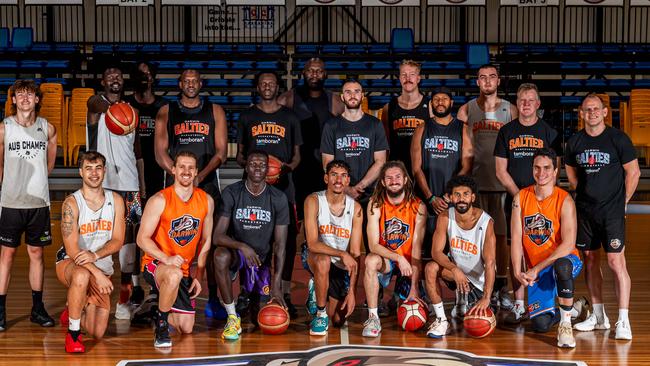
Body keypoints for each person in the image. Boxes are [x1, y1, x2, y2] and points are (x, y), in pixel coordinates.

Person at [154, 68, 227, 318]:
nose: (191, 84)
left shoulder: (215, 111)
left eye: (195, 80)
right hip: (176, 185)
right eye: (187, 80)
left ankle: (214, 297)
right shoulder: (166, 111)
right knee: (170, 239)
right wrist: (178, 174)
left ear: (201, 83)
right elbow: (159, 152)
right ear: (179, 83)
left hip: (205, 184)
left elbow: (221, 152)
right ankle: (165, 294)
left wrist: (199, 176)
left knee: (210, 243)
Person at [566, 94, 640, 340]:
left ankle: (623, 320)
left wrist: (623, 203)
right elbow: (572, 174)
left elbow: (634, 172)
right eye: (588, 109)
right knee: (589, 261)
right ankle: (599, 317)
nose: (593, 113)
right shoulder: (575, 141)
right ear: (581, 113)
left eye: (596, 109)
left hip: (612, 213)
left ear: (605, 112)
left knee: (616, 263)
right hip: (586, 212)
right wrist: (585, 195)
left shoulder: (618, 138)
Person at [494, 82, 562, 323]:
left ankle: (548, 297)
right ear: (517, 104)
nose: (526, 104)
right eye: (522, 100)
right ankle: (520, 302)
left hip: (544, 202)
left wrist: (539, 195)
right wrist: (519, 196)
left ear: (538, 104)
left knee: (544, 245)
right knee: (517, 249)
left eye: (530, 100)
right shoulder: (506, 131)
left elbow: (555, 168)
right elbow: (500, 170)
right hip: (516, 200)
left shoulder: (548, 132)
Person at [237, 71, 302, 317]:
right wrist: (256, 170)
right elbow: (239, 155)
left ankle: (283, 293)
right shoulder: (247, 116)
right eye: (263, 83)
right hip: (253, 189)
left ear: (278, 87)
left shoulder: (290, 117)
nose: (267, 87)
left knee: (284, 242)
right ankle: (250, 292)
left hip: (284, 188)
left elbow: (297, 157)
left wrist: (281, 170)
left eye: (271, 83)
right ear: (257, 86)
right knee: (252, 238)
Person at [136, 151, 214, 348]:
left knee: (186, 327)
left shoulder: (206, 201)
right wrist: (166, 258)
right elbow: (141, 239)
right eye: (181, 167)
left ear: (196, 171)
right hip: (156, 264)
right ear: (173, 170)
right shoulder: (159, 200)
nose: (186, 171)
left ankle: (157, 306)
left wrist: (199, 275)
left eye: (190, 168)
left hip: (183, 269)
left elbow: (206, 240)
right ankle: (161, 326)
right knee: (173, 274)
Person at [87, 65, 145, 320]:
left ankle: (126, 295)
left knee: (130, 238)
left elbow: (139, 154)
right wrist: (114, 109)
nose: (115, 78)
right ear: (102, 81)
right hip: (105, 184)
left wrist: (142, 186)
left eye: (119, 76)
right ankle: (90, 294)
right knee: (102, 238)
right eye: (109, 75)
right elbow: (96, 104)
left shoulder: (133, 112)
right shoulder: (95, 106)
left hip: (130, 184)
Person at [457, 64, 518, 309]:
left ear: (499, 81)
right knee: (474, 238)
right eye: (483, 77)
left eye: (492, 77)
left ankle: (501, 286)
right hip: (475, 185)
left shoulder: (510, 109)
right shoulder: (466, 110)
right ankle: (476, 285)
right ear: (478, 82)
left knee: (501, 238)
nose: (487, 81)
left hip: (501, 184)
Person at [213, 150, 289, 341]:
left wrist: (277, 285)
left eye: (262, 165)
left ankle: (248, 295)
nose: (257, 168)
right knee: (220, 255)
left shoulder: (278, 198)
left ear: (268, 169)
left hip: (260, 259)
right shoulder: (232, 192)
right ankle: (231, 317)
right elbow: (217, 236)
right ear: (246, 167)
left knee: (258, 318)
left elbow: (280, 246)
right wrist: (242, 247)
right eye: (253, 164)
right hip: (237, 255)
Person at [0, 79, 57, 331]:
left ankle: (37, 308)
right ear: (13, 100)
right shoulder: (4, 128)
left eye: (29, 94)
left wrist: (45, 173)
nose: (24, 98)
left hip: (38, 202)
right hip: (11, 202)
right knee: (7, 255)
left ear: (36, 99)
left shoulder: (47, 128)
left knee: (36, 254)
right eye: (19, 94)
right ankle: (0, 311)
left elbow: (51, 152)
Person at [511, 148, 581, 348]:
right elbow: (516, 239)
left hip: (566, 261)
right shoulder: (520, 198)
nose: (541, 173)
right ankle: (574, 308)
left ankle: (566, 325)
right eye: (537, 168)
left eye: (546, 168)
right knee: (540, 325)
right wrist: (517, 271)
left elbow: (568, 244)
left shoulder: (565, 200)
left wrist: (536, 269)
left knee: (562, 266)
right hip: (537, 270)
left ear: (555, 170)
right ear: (532, 169)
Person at [56, 151, 125, 352]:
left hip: (100, 265)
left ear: (104, 171)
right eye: (88, 169)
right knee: (82, 274)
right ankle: (73, 334)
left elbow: (118, 240)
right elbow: (72, 249)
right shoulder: (72, 203)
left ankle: (72, 308)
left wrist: (95, 257)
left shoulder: (116, 201)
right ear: (80, 172)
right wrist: (96, 273)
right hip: (71, 263)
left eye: (98, 168)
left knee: (97, 332)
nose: (94, 174)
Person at [424, 175, 496, 338]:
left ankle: (476, 299)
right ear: (450, 197)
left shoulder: (486, 222)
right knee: (430, 268)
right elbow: (436, 252)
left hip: (478, 282)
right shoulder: (444, 217)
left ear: (473, 197)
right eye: (457, 194)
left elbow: (490, 263)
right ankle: (442, 320)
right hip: (455, 274)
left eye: (465, 194)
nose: (461, 198)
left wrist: (486, 297)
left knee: (476, 324)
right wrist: (455, 269)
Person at [362, 161, 426, 337]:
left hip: (408, 262)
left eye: (398, 177)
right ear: (383, 182)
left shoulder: (418, 207)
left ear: (405, 179)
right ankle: (373, 317)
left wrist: (414, 286)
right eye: (389, 178)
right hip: (389, 260)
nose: (393, 181)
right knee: (370, 260)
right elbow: (373, 245)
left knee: (410, 319)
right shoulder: (375, 204)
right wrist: (398, 258)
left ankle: (398, 297)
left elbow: (416, 248)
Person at [124, 61, 167, 310]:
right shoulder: (127, 105)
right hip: (132, 177)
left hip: (158, 176)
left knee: (155, 234)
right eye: (141, 74)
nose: (146, 77)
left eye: (149, 73)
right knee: (133, 231)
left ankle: (153, 284)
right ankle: (135, 285)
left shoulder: (163, 106)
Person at [278, 57, 344, 220]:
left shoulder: (333, 100)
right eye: (310, 70)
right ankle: (300, 244)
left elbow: (348, 129)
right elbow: (272, 117)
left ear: (325, 74)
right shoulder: (290, 97)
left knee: (324, 210)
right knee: (299, 211)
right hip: (298, 163)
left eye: (319, 70)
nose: (314, 74)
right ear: (303, 73)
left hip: (324, 163)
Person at [302, 160, 363, 335]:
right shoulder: (313, 200)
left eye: (343, 176)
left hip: (340, 264)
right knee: (323, 260)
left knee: (337, 320)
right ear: (326, 178)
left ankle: (318, 291)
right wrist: (341, 253)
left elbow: (356, 255)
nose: (338, 180)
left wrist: (352, 291)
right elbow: (313, 243)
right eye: (334, 175)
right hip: (316, 257)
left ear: (348, 181)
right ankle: (320, 314)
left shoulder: (356, 208)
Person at [411, 87, 473, 257]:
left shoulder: (463, 129)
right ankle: (421, 284)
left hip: (452, 200)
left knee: (453, 252)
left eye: (444, 99)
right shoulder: (421, 129)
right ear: (431, 103)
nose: (440, 102)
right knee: (422, 250)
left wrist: (447, 196)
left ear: (451, 103)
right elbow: (416, 168)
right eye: (436, 99)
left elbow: (467, 167)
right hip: (426, 199)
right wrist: (431, 197)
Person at [381, 60, 430, 175]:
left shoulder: (430, 106)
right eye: (404, 75)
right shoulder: (388, 108)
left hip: (422, 167)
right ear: (399, 78)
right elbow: (385, 143)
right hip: (396, 168)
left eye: (412, 74)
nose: (408, 78)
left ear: (418, 78)